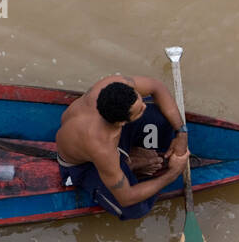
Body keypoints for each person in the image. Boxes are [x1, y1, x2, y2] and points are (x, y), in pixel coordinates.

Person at [54, 74, 190, 219]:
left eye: (139, 99)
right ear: (121, 123)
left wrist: (181, 133)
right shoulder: (102, 148)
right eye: (139, 111)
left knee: (159, 114)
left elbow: (157, 86)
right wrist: (173, 174)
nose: (144, 105)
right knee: (135, 209)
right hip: (85, 165)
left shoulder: (113, 84)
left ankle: (129, 159)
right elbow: (126, 197)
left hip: (108, 138)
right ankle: (128, 165)